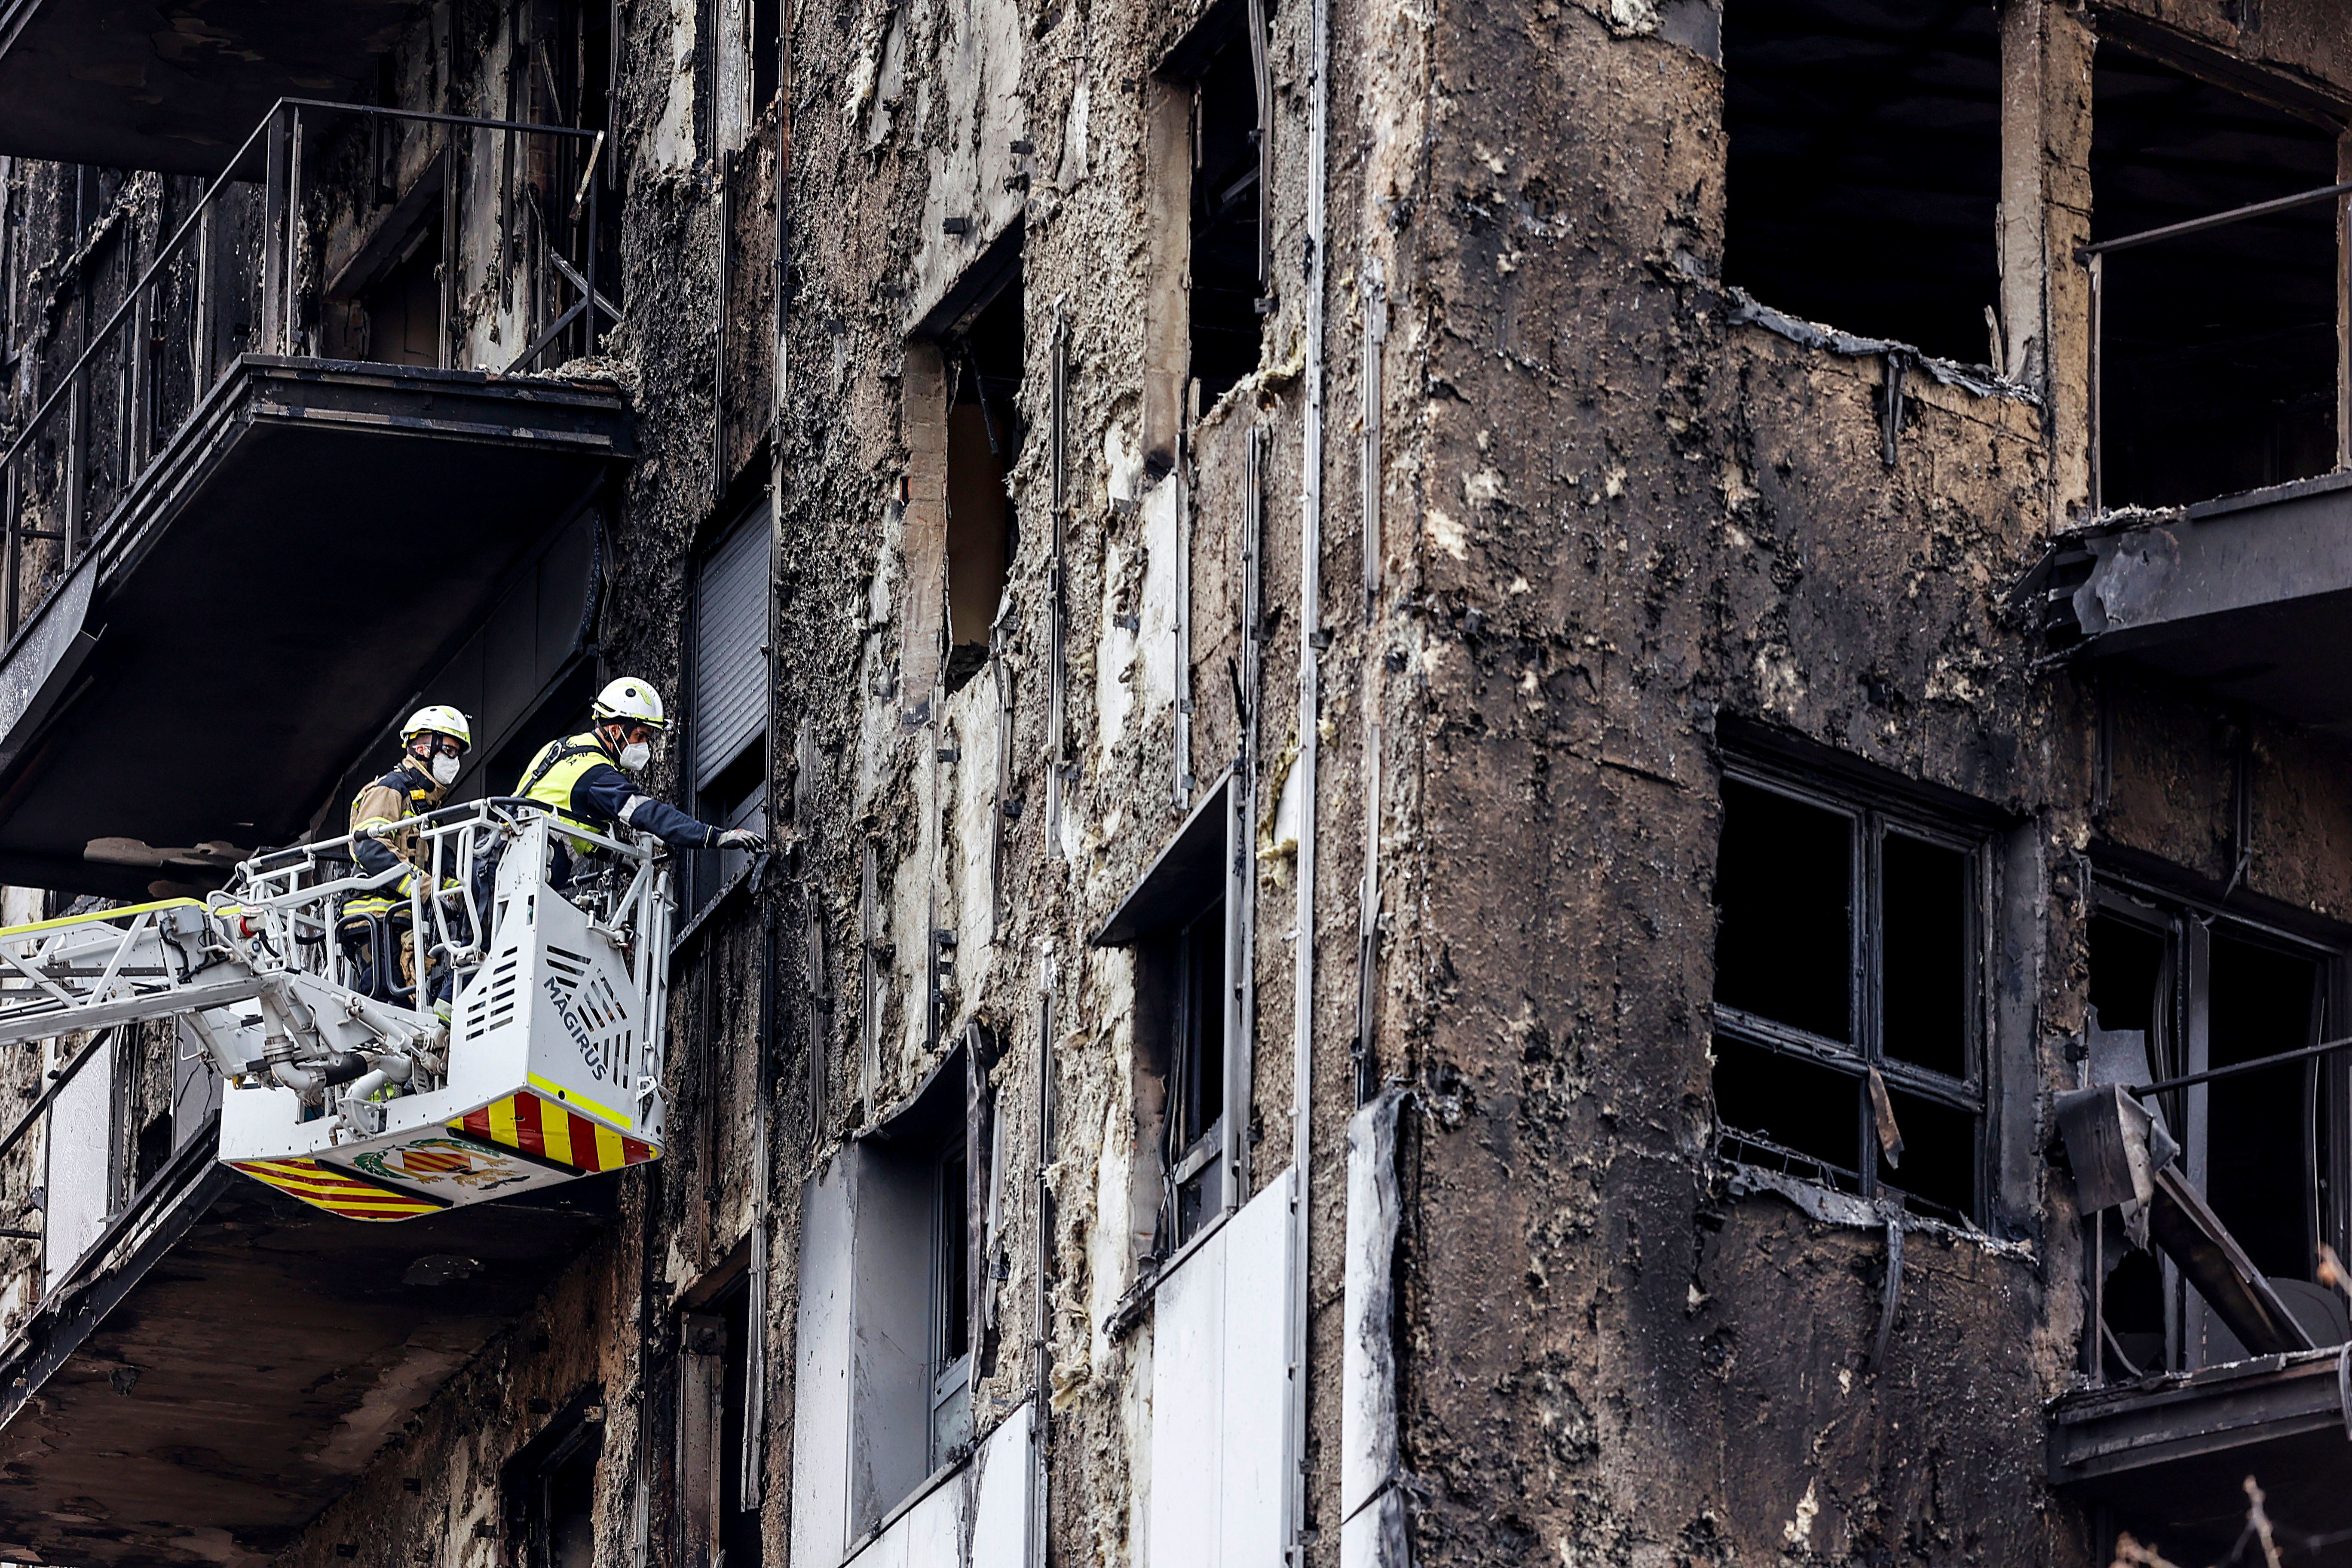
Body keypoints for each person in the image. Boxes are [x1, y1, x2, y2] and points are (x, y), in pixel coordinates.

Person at [515, 677, 764, 879]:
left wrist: (616, 852)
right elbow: (648, 813)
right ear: (614, 730)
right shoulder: (595, 772)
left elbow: (570, 820)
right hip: (526, 871)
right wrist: (715, 836)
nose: (644, 746)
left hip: (508, 861)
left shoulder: (560, 749)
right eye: (640, 736)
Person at [345, 704, 472, 1016]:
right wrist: (425, 887)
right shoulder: (390, 789)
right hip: (374, 916)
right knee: (385, 1000)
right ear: (421, 747)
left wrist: (453, 890)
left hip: (403, 919)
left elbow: (440, 865)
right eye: (448, 751)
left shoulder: (426, 811)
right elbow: (370, 847)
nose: (452, 762)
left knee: (406, 1002)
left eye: (457, 754)